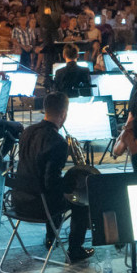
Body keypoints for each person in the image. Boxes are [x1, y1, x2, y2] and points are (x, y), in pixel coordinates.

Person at [11, 91, 92, 260]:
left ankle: (51, 237)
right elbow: (51, 184)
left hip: (17, 202)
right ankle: (75, 250)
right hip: (39, 208)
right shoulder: (57, 141)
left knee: (51, 193)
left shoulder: (27, 131)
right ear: (63, 114)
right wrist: (72, 185)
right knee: (81, 202)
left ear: (45, 109)